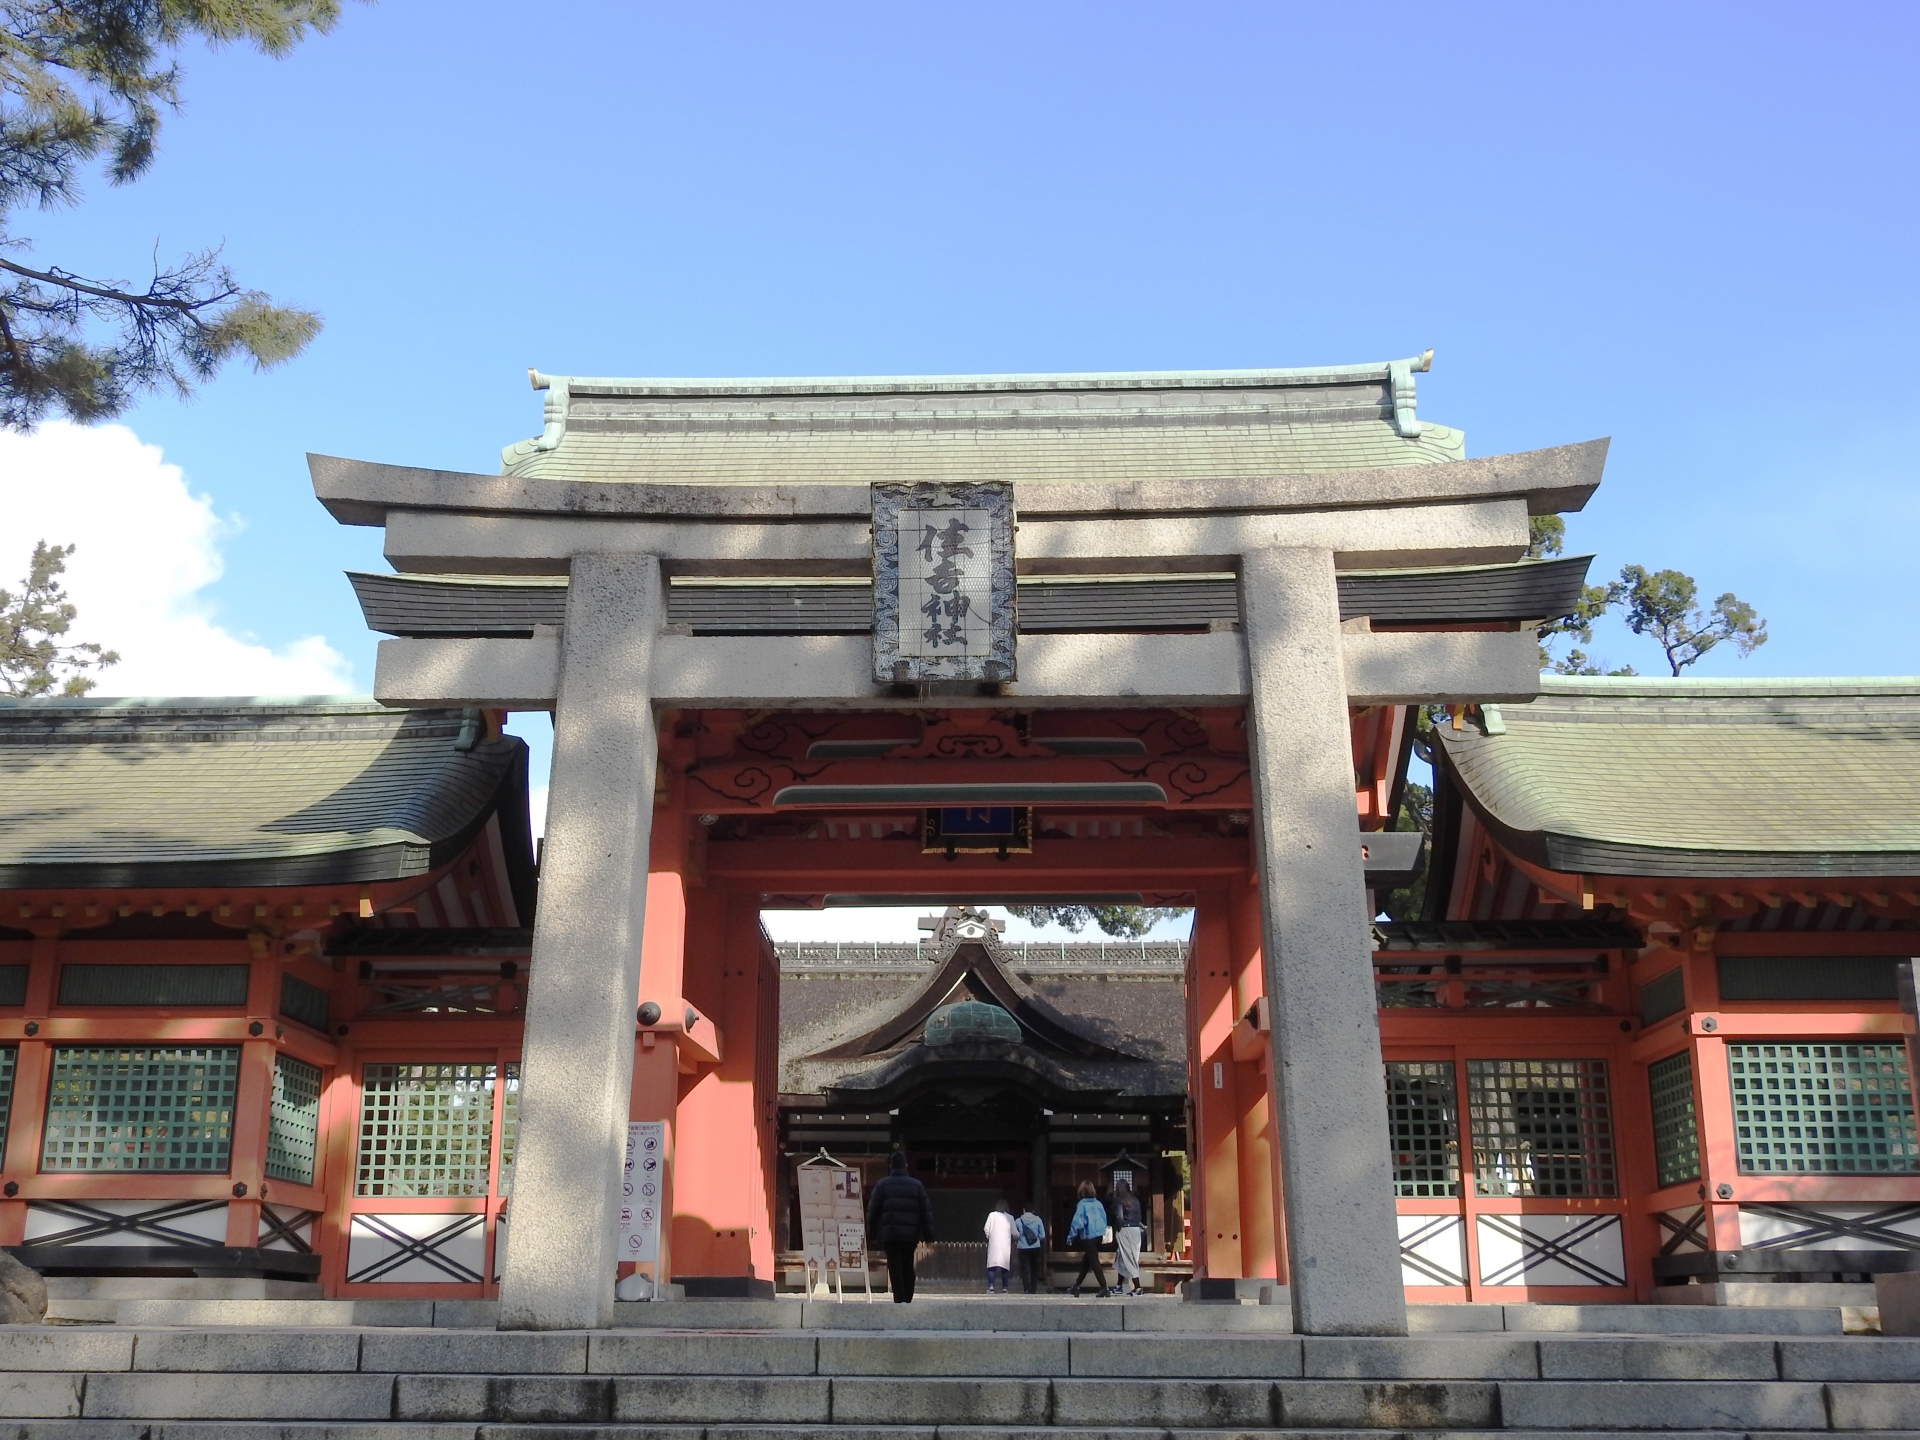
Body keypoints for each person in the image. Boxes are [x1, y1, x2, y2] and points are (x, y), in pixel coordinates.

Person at [865, 1151, 935, 1303]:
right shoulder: (917, 1185)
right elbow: (925, 1211)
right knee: (908, 1263)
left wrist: (873, 1233)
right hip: (910, 1234)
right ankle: (908, 1297)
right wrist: (928, 1235)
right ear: (906, 1165)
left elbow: (873, 1210)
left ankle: (899, 1297)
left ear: (891, 1166)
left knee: (894, 1264)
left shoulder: (882, 1185)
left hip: (890, 1233)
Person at [1065, 1179, 1109, 1297]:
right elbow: (1104, 1219)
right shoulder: (1099, 1204)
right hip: (1099, 1235)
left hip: (1087, 1235)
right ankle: (1076, 1285)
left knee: (1094, 1261)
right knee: (1087, 1260)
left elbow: (1077, 1222)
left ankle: (1104, 1287)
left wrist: (1070, 1237)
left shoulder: (1082, 1205)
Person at [1110, 1181, 1145, 1297]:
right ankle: (1119, 1286)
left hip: (1125, 1229)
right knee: (1121, 1257)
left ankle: (1138, 1287)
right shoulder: (1135, 1200)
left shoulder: (1119, 1200)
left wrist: (1117, 1228)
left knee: (1129, 1258)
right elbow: (1140, 1216)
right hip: (1136, 1230)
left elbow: (1119, 1217)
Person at [1013, 1200, 1047, 1294]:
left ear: (1023, 1210)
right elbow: (1042, 1235)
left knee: (1024, 1269)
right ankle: (1033, 1289)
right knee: (1034, 1269)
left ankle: (1026, 1289)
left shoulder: (1018, 1221)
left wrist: (1020, 1238)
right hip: (1035, 1247)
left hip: (1022, 1247)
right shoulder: (1038, 1220)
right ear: (1033, 1211)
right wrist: (1036, 1238)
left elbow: (1015, 1235)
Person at [983, 1198, 1015, 1293]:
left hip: (994, 1243)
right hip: (1005, 1244)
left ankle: (991, 1287)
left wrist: (990, 1236)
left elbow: (986, 1228)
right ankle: (1004, 1288)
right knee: (1004, 1267)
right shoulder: (1010, 1217)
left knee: (992, 1266)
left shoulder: (991, 1215)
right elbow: (1014, 1232)